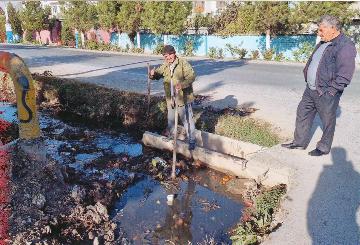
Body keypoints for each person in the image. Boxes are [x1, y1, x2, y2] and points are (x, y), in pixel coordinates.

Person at [282, 15, 357, 156]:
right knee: (302, 114)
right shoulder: (323, 42)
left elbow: (345, 74)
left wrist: (332, 91)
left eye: (321, 30)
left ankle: (323, 148)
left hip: (326, 92)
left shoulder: (345, 45)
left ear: (333, 29)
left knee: (327, 121)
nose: (319, 33)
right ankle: (299, 143)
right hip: (310, 89)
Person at [149, 45, 196, 150]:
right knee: (171, 119)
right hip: (171, 98)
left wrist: (182, 85)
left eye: (170, 54)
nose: (168, 57)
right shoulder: (165, 65)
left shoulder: (183, 63)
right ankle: (171, 136)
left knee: (187, 120)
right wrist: (152, 74)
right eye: (166, 56)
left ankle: (192, 141)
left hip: (183, 98)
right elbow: (158, 74)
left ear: (174, 53)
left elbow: (191, 76)